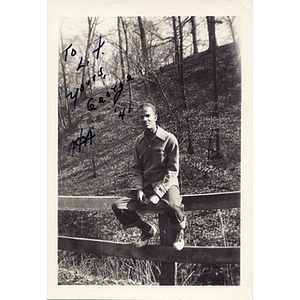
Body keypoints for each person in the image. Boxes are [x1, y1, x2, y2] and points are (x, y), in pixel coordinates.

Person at [112, 102, 186, 251]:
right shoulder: (138, 142)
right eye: (141, 117)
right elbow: (137, 169)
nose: (145, 119)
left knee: (173, 205)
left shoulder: (169, 139)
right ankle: (146, 229)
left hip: (166, 183)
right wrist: (138, 188)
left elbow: (172, 171)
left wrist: (158, 193)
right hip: (146, 186)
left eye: (148, 116)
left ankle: (179, 232)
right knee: (118, 206)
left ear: (155, 117)